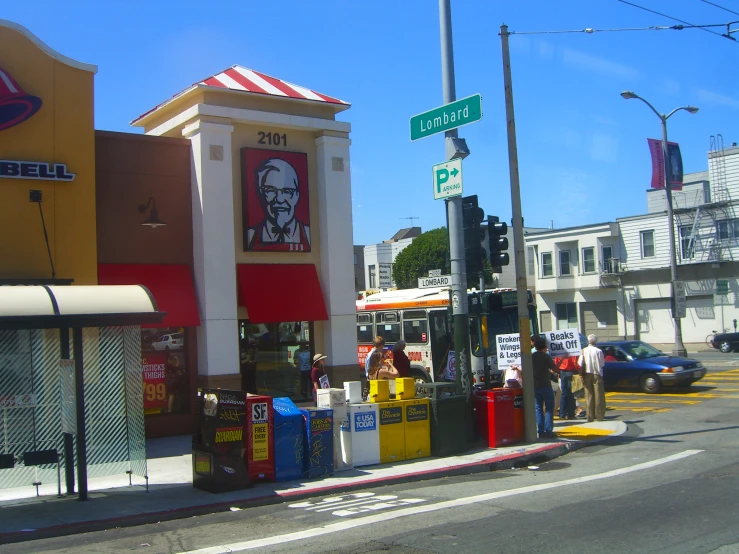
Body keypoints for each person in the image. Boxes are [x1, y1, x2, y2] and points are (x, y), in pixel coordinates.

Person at [246, 158, 310, 251]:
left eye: (287, 191)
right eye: (271, 190)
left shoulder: (309, 234)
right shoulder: (250, 236)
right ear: (261, 194)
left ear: (296, 196)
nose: (280, 199)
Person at [532, 336, 558, 438]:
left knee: (538, 408)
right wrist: (562, 360)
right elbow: (554, 370)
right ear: (544, 346)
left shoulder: (532, 356)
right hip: (545, 385)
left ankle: (541, 431)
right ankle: (548, 430)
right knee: (549, 408)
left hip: (535, 385)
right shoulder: (545, 356)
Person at [578, 334, 606, 422]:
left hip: (587, 373)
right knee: (599, 395)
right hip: (597, 373)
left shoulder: (583, 351)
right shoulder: (599, 351)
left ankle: (590, 416)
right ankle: (600, 416)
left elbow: (579, 363)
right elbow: (602, 364)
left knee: (588, 395)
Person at [555, 353, 580, 420]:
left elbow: (556, 362)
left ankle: (562, 414)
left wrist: (558, 371)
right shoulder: (572, 352)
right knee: (571, 393)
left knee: (564, 393)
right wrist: (579, 370)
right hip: (570, 371)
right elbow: (575, 362)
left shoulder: (559, 352)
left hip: (562, 371)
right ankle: (570, 414)